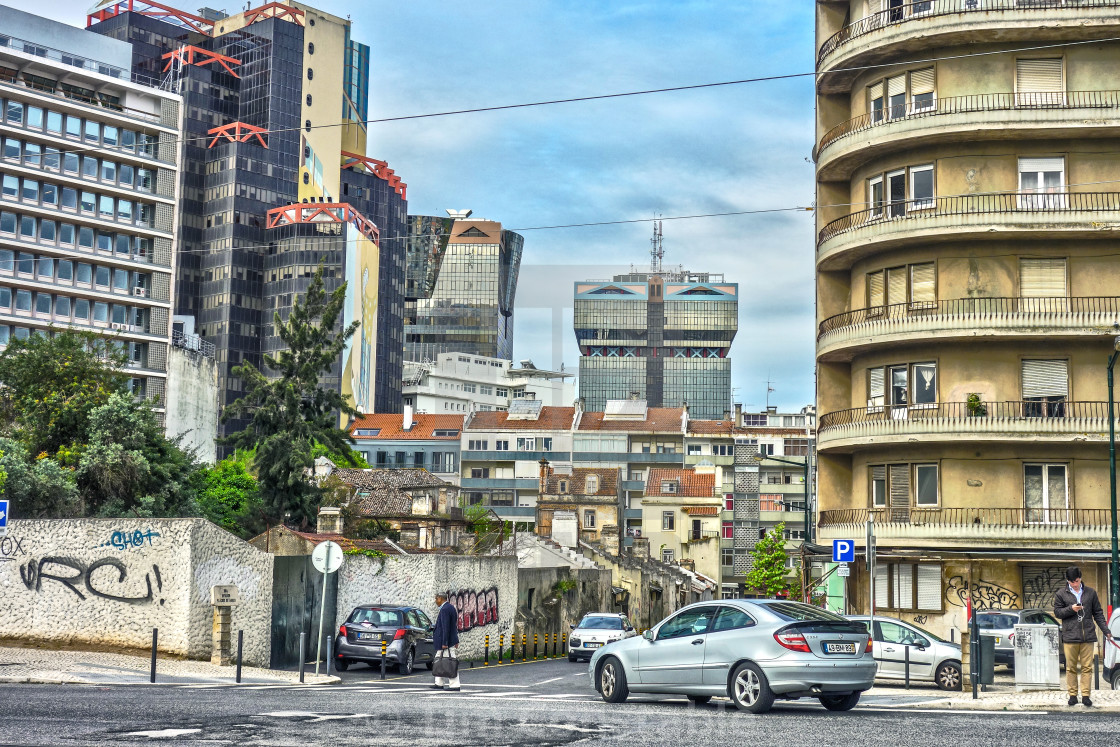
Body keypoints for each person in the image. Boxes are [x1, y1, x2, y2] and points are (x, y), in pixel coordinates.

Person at [1053, 566, 1113, 707]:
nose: (1075, 584)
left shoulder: (1090, 593)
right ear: (1067, 581)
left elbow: (1098, 613)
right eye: (1072, 582)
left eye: (1077, 580)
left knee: (1087, 667)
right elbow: (1057, 613)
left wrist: (1106, 631)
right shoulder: (1061, 594)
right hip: (1070, 636)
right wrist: (1071, 609)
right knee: (1071, 668)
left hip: (1088, 636)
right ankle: (1072, 695)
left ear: (1080, 578)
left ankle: (1086, 695)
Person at [431, 591, 460, 692]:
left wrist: (444, 642)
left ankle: (455, 685)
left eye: (436, 599)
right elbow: (453, 626)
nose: (435, 601)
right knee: (439, 661)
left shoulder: (444, 609)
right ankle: (438, 683)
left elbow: (446, 627)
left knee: (450, 663)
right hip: (449, 641)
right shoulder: (451, 607)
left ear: (440, 598)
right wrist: (456, 639)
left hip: (446, 642)